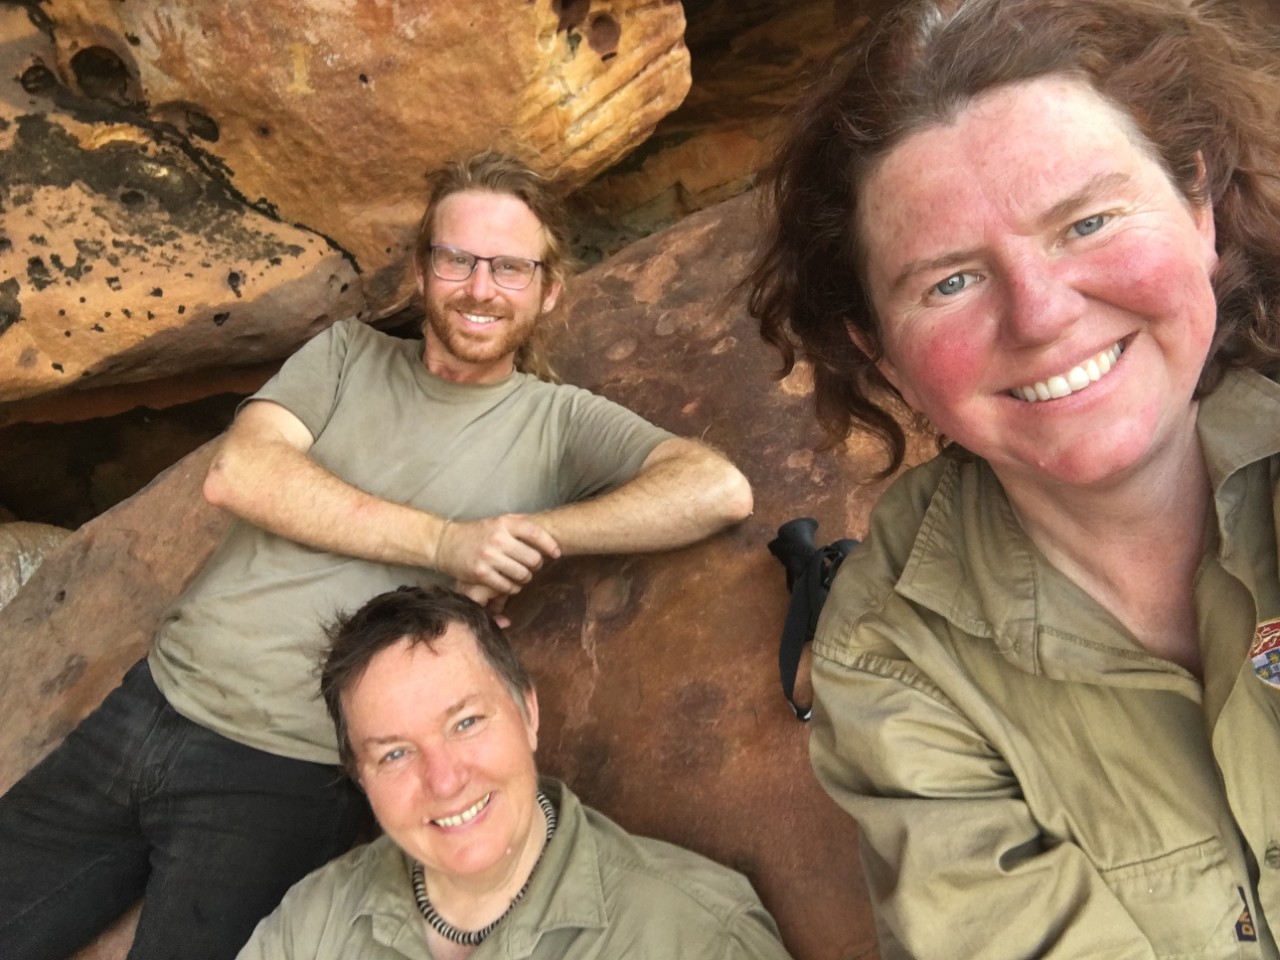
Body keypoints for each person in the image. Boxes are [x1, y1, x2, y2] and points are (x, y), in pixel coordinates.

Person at [0, 151, 753, 960]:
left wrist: (541, 534)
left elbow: (714, 488)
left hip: (281, 776)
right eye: (457, 258)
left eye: (509, 267)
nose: (479, 287)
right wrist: (445, 541)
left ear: (548, 289)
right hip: (147, 704)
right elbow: (242, 472)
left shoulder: (558, 422)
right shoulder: (344, 357)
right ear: (424, 270)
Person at [746, 0, 1280, 956]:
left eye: (1090, 220)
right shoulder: (892, 657)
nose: (1039, 316)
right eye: (950, 281)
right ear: (882, 354)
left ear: (1198, 209)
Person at [236, 585, 793, 960]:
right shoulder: (308, 926)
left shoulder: (694, 935)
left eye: (467, 722)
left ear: (528, 714)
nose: (446, 780)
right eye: (394, 754)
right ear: (361, 778)